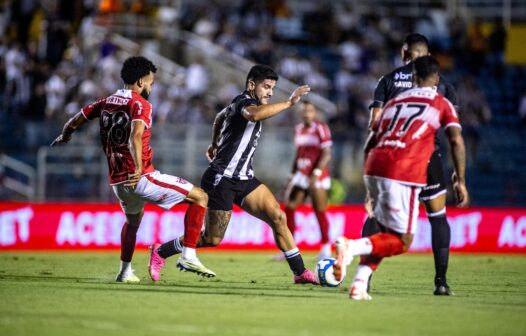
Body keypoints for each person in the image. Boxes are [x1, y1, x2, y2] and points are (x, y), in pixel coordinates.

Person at [148, 64, 319, 284]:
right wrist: (289, 102)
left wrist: (214, 143)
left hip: (245, 178)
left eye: (273, 88)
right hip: (222, 178)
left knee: (278, 216)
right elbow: (253, 116)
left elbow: (220, 117)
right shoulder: (244, 102)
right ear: (251, 85)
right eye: (266, 87)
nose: (270, 92)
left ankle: (300, 272)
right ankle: (160, 251)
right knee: (212, 239)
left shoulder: (239, 105)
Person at [51, 56, 215, 283]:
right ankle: (188, 255)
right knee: (200, 197)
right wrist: (138, 168)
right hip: (140, 176)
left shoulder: (106, 101)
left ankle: (125, 271)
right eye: (150, 82)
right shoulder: (140, 104)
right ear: (140, 81)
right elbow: (135, 136)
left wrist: (66, 134)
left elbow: (76, 119)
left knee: (133, 222)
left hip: (118, 183)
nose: (151, 87)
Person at [333, 55, 468, 300]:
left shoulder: (394, 102)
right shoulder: (441, 103)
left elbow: (369, 142)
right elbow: (456, 140)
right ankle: (350, 247)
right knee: (401, 241)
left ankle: (360, 284)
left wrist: (370, 186)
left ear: (413, 78)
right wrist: (460, 178)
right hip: (405, 169)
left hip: (376, 164)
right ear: (437, 79)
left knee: (383, 231)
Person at [365, 33, 459, 295]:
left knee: (376, 215)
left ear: (404, 53)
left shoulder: (387, 80)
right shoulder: (443, 86)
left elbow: (374, 125)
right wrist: (458, 176)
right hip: (428, 156)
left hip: (393, 157)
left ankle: (364, 277)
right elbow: (451, 131)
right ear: (428, 56)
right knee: (437, 217)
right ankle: (441, 282)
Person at [283, 101, 333, 261]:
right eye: (304, 111)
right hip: (301, 174)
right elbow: (298, 153)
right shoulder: (298, 129)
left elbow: (326, 153)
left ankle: (326, 247)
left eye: (310, 110)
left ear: (314, 112)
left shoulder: (320, 128)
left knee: (319, 209)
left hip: (317, 175)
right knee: (289, 207)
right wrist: (292, 173)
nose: (307, 114)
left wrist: (316, 173)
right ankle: (290, 247)